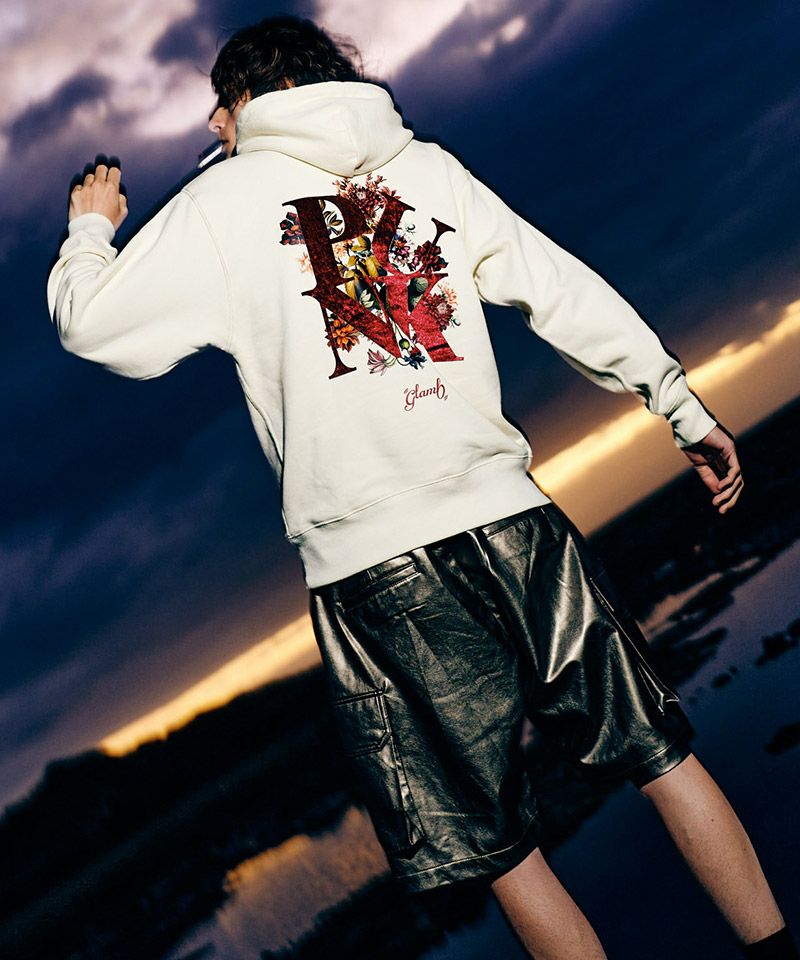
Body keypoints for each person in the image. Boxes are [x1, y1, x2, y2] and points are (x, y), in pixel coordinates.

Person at [48, 15, 795, 960]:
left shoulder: (219, 205)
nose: (211, 126)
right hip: (510, 521)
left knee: (505, 851)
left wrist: (91, 228)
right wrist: (679, 405)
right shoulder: (426, 168)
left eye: (219, 107)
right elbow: (559, 287)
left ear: (249, 98)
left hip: (372, 571)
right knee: (660, 753)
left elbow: (91, 324)